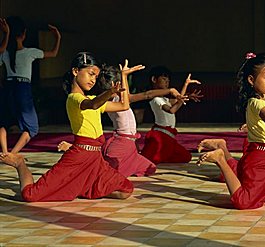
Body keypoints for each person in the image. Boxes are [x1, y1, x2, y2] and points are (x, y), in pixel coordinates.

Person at [0, 52, 139, 202]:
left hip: (96, 159)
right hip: (78, 157)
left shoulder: (93, 98)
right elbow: (92, 105)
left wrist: (124, 77)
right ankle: (20, 163)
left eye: (96, 77)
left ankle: (79, 187)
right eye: (91, 74)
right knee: (30, 195)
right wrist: (110, 91)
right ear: (75, 71)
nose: (93, 80)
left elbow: (124, 106)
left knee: (126, 190)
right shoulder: (74, 99)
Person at [196, 53, 265, 209]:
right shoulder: (255, 102)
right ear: (251, 80)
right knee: (244, 202)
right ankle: (220, 159)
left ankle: (253, 183)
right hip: (261, 159)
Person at [58, 61, 189, 177]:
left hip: (130, 143)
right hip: (121, 143)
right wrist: (170, 90)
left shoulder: (122, 98)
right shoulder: (110, 99)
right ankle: (75, 150)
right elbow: (146, 94)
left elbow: (144, 95)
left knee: (150, 169)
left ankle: (118, 161)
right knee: (109, 174)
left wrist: (124, 76)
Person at [0, 16, 61, 155]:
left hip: (8, 87)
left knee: (3, 122)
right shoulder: (30, 52)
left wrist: (6, 34)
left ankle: (4, 152)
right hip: (22, 88)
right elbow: (53, 53)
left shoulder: (4, 53)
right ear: (24, 34)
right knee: (32, 127)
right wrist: (57, 37)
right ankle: (12, 154)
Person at [140, 66, 202, 165]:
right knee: (149, 160)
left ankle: (163, 155)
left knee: (186, 157)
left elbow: (178, 100)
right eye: (164, 79)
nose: (167, 81)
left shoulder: (165, 99)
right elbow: (172, 110)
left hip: (169, 136)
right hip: (160, 136)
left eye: (168, 80)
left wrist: (186, 85)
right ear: (154, 79)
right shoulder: (156, 99)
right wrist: (182, 99)